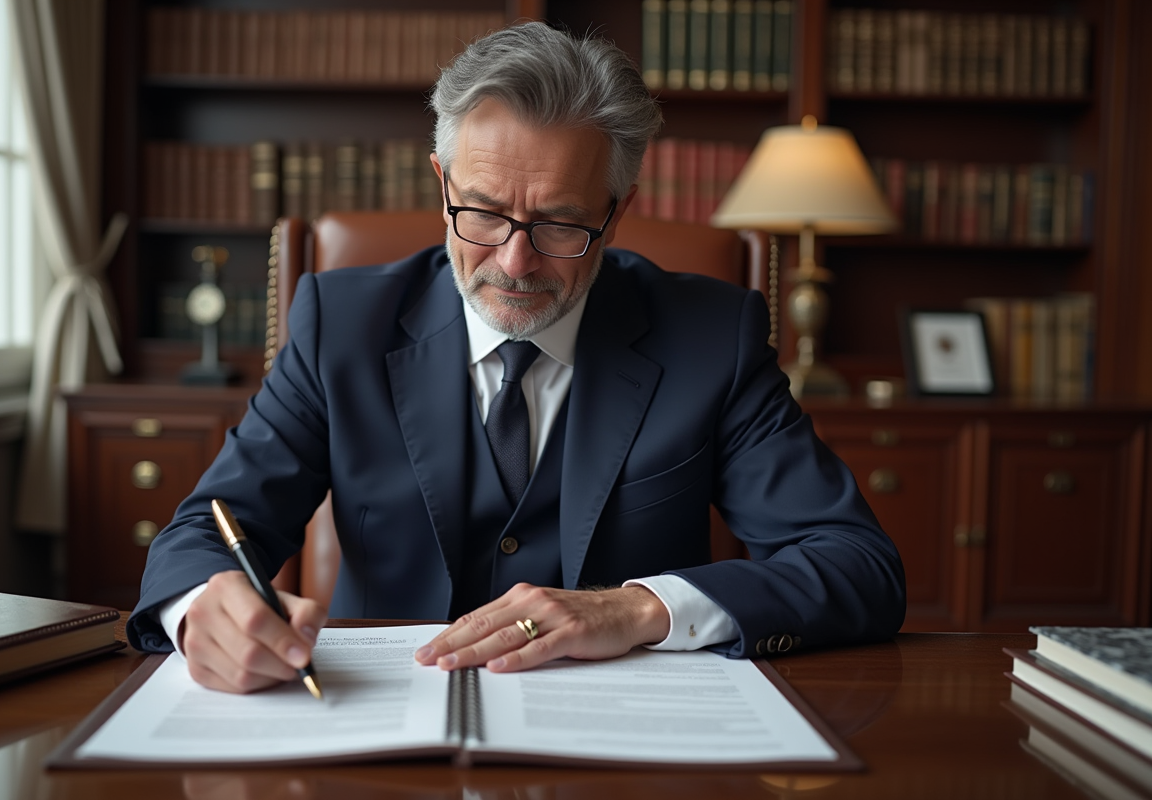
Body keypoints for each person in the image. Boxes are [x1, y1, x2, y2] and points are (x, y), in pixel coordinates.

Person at [129, 22, 905, 694]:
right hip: (379, 734)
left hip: (626, 742)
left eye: (561, 225)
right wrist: (203, 608)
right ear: (443, 185)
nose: (516, 262)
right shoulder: (342, 324)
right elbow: (206, 528)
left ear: (618, 210)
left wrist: (635, 608)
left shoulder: (712, 337)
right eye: (485, 214)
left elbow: (858, 565)